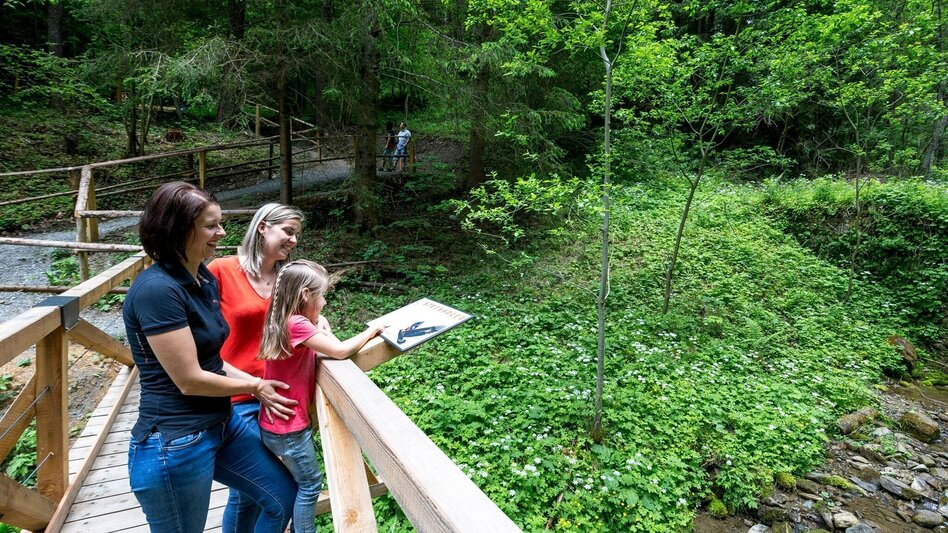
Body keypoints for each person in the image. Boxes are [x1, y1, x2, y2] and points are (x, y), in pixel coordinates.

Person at [123, 182, 298, 533]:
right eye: (210, 225)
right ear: (177, 229)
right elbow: (189, 380)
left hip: (221, 424)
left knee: (283, 497)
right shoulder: (157, 290)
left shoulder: (202, 277)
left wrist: (257, 382)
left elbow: (212, 360)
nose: (221, 233)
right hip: (175, 442)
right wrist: (254, 385)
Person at [257, 260, 385, 533]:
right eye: (321, 295)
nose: (325, 302)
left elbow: (322, 340)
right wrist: (372, 331)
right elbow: (339, 351)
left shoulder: (280, 317)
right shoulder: (297, 325)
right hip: (289, 428)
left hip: (276, 424)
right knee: (310, 484)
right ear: (305, 295)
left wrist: (320, 326)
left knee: (295, 484)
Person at [207, 203, 303, 531]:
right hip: (236, 396)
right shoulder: (222, 269)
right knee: (265, 493)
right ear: (263, 227)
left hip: (277, 395)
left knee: (248, 494)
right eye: (287, 231)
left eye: (296, 235)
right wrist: (249, 384)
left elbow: (304, 323)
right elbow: (197, 335)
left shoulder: (286, 280)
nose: (293, 240)